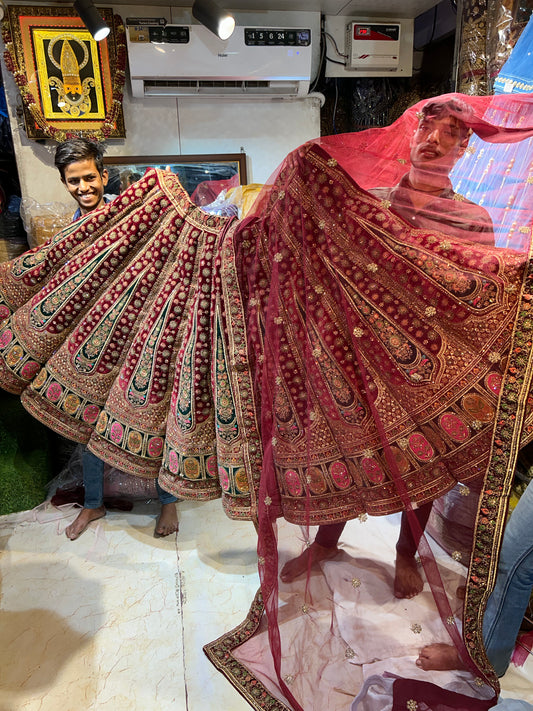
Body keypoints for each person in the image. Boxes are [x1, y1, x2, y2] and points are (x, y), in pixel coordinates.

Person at [279, 97, 493, 598]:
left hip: (429, 361)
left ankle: (404, 552)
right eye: (427, 127)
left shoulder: (472, 218)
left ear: (463, 148)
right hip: (358, 353)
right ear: (409, 134)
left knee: (423, 457)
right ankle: (327, 541)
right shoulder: (370, 205)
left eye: (448, 134)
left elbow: (481, 296)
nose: (433, 140)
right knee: (344, 447)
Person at [53, 137, 179, 540]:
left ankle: (169, 504)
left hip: (141, 338)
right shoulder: (70, 232)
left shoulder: (131, 217)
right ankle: (93, 506)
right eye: (73, 181)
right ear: (64, 183)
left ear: (103, 175)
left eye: (89, 177)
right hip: (94, 344)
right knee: (89, 425)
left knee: (152, 418)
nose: (83, 187)